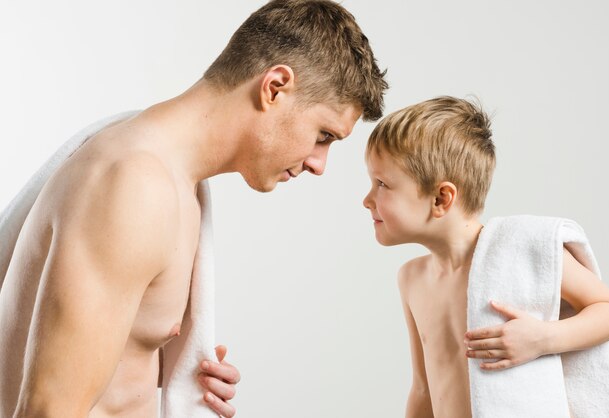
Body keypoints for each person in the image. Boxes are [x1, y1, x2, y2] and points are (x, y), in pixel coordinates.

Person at [0, 0, 388, 417]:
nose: (318, 164)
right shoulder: (135, 186)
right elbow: (47, 409)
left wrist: (170, 372)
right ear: (275, 87)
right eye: (324, 135)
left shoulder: (170, 179)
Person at [362, 96, 609, 417]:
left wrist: (543, 339)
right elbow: (423, 387)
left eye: (382, 184)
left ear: (441, 198)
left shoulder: (524, 248)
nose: (367, 199)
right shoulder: (412, 279)